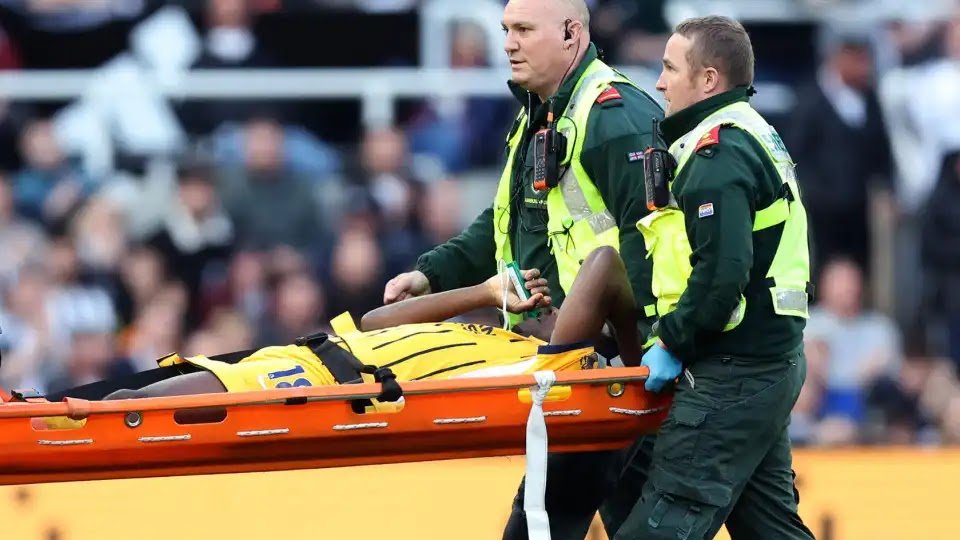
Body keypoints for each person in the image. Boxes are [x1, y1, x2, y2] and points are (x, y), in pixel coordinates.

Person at [382, 1, 665, 536]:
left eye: (523, 30)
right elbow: (504, 220)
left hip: (612, 367)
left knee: (544, 524)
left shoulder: (615, 118)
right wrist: (432, 274)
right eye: (506, 30)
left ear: (570, 34)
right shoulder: (544, 115)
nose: (508, 43)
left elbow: (654, 242)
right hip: (573, 365)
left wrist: (646, 361)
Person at [613, 15, 816, 539]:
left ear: (708, 80)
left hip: (733, 371)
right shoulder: (752, 132)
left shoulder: (717, 153)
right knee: (772, 529)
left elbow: (722, 273)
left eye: (668, 67)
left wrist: (673, 341)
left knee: (661, 526)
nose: (659, 82)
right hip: (770, 363)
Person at [39, 247, 643, 416]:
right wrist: (485, 292)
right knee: (123, 400)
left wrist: (634, 354)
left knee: (122, 410)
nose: (542, 308)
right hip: (305, 357)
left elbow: (605, 268)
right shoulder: (493, 336)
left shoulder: (553, 369)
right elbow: (376, 319)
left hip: (316, 390)